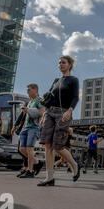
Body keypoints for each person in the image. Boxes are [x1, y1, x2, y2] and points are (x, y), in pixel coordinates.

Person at [37, 55, 80, 187]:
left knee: (58, 145)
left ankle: (74, 164)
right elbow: (49, 97)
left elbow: (75, 97)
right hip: (50, 112)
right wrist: (44, 113)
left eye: (63, 62)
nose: (60, 64)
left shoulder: (73, 80)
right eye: (59, 63)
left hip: (63, 113)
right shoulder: (56, 80)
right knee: (47, 144)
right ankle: (49, 177)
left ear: (70, 65)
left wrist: (70, 110)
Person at [11, 84, 45, 178]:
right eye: (27, 90)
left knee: (29, 149)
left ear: (35, 90)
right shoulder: (30, 102)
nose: (27, 91)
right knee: (22, 149)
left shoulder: (39, 100)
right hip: (25, 128)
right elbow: (23, 115)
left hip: (33, 127)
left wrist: (29, 110)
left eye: (29, 90)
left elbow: (42, 112)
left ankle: (30, 171)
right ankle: (37, 162)